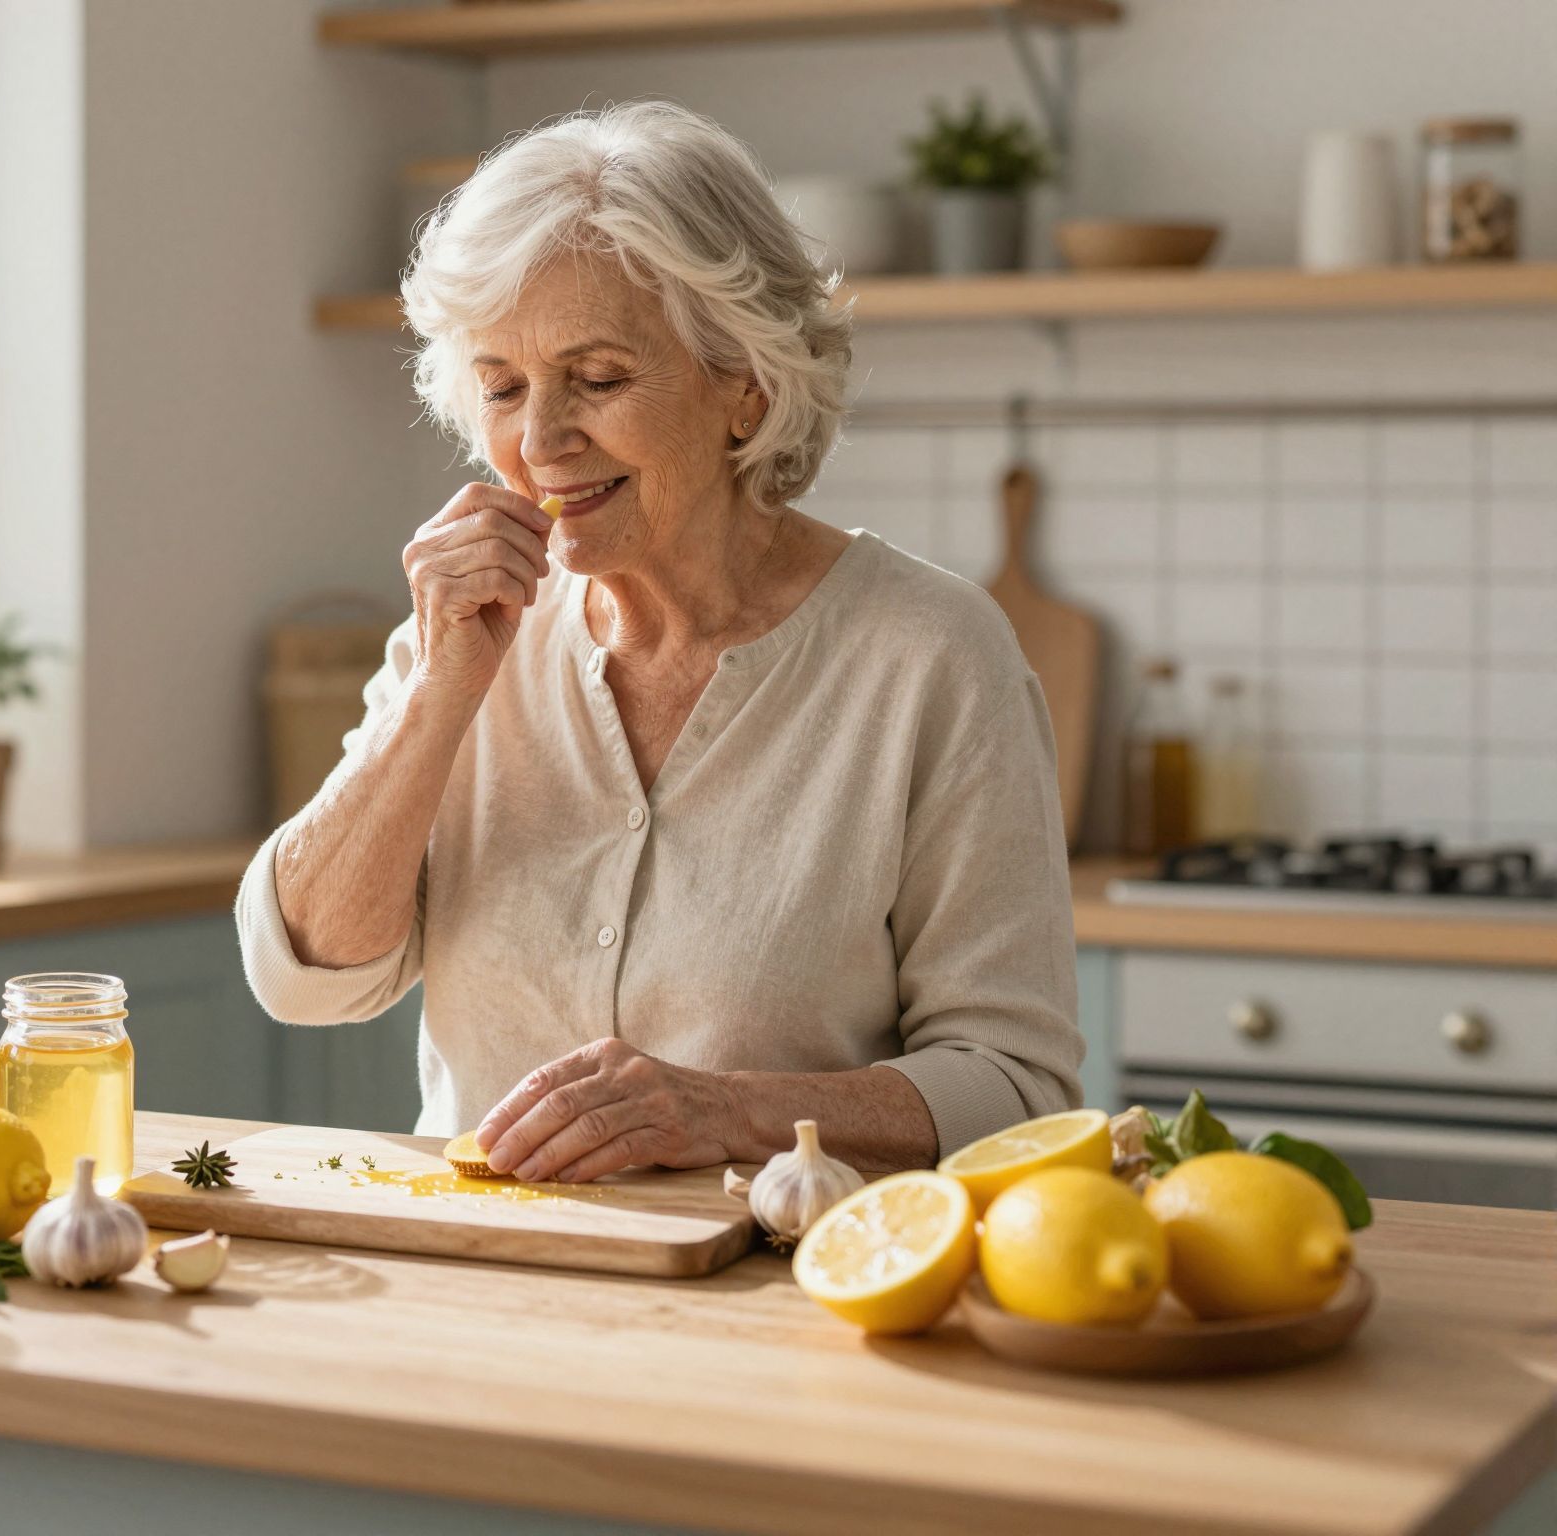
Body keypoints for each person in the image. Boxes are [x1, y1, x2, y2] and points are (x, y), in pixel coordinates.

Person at [237, 101, 1080, 1184]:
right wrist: (441, 689)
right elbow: (303, 977)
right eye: (500, 385)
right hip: (484, 1294)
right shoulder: (466, 635)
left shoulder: (930, 655)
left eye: (595, 379)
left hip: (785, 1309)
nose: (538, 441)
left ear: (746, 386)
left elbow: (1014, 1089)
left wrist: (724, 1114)